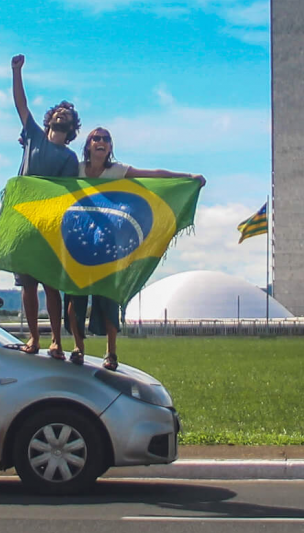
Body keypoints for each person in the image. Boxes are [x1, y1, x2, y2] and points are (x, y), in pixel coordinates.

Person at [65, 126, 205, 369]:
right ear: (88, 145)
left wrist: (186, 178)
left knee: (109, 296)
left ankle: (111, 352)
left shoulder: (116, 172)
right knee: (74, 297)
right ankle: (78, 347)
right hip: (78, 243)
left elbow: (152, 174)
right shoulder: (74, 170)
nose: (100, 142)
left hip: (108, 246)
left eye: (105, 139)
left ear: (110, 147)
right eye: (95, 138)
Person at [10, 53, 80, 359]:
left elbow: (65, 194)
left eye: (68, 113)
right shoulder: (34, 136)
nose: (62, 114)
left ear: (72, 126)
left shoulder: (69, 158)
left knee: (52, 285)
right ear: (50, 118)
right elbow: (21, 105)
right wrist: (16, 72)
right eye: (59, 111)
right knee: (27, 285)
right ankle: (34, 338)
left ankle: (56, 341)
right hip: (22, 221)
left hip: (50, 226)